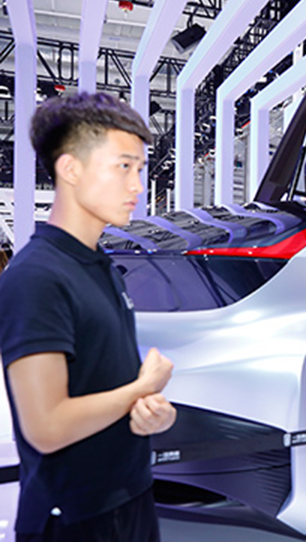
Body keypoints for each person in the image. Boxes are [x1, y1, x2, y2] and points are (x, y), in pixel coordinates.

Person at [0, 93, 177, 541]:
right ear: (71, 169)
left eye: (139, 169)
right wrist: (142, 388)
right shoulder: (36, 278)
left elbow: (104, 387)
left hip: (131, 498)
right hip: (72, 520)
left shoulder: (102, 267)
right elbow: (47, 427)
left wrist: (150, 412)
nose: (138, 186)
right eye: (124, 167)